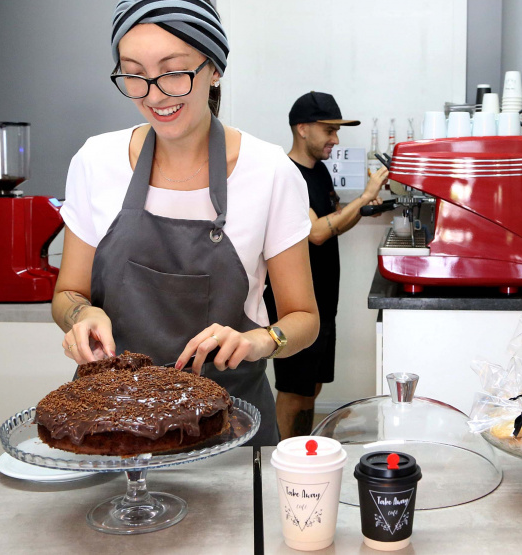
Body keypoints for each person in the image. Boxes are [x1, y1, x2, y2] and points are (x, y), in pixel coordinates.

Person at [51, 0, 320, 446]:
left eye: (174, 71)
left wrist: (261, 340)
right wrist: (83, 314)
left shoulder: (270, 171)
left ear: (214, 68)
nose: (154, 95)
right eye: (134, 73)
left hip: (228, 424)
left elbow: (304, 318)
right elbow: (67, 295)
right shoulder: (95, 162)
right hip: (110, 428)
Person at [264, 91, 389, 440]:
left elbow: (331, 223)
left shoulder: (318, 171)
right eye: (329, 130)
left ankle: (305, 446)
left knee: (313, 385)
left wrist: (364, 209)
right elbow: (317, 233)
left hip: (322, 300)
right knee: (294, 389)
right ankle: (286, 455)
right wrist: (364, 196)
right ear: (302, 129)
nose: (335, 139)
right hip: (294, 303)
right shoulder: (286, 175)